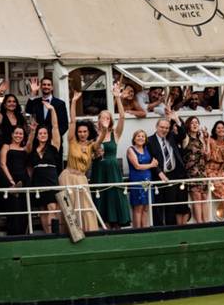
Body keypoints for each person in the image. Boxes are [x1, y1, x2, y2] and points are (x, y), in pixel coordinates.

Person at [59, 92, 100, 232]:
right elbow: (72, 121)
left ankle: (89, 231)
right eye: (80, 131)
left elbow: (99, 142)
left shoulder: (91, 146)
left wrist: (105, 129)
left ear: (89, 133)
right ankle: (71, 232)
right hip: (68, 175)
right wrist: (74, 101)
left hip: (81, 177)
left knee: (85, 205)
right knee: (70, 206)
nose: (82, 133)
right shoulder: (72, 141)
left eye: (85, 131)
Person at [92, 83, 131, 229]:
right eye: (102, 118)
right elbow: (94, 149)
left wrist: (117, 98)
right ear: (98, 120)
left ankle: (118, 224)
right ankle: (103, 225)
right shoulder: (94, 135)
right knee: (101, 195)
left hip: (113, 169)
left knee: (114, 195)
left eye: (107, 118)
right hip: (99, 169)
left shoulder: (115, 134)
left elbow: (122, 116)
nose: (105, 120)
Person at [146, 115, 190, 226]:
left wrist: (177, 120)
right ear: (157, 127)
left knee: (171, 205)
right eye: (162, 127)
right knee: (158, 206)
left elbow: (183, 134)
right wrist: (159, 172)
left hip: (173, 175)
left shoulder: (172, 137)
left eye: (166, 128)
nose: (164, 130)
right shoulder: (150, 141)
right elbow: (151, 158)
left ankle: (171, 228)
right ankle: (159, 229)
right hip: (159, 176)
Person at [28, 105, 62, 235]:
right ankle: (47, 234)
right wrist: (32, 131)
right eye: (40, 133)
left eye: (45, 133)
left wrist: (52, 110)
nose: (42, 135)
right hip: (38, 179)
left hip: (51, 178)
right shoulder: (33, 149)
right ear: (37, 135)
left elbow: (55, 127)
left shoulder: (53, 147)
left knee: (52, 207)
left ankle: (54, 234)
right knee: (42, 208)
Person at [0, 125, 30, 235]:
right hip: (12, 181)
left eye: (21, 133)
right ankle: (13, 233)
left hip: (24, 180)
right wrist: (11, 180)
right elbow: (3, 164)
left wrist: (33, 131)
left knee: (24, 207)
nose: (18, 135)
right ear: (12, 134)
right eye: (16, 133)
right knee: (14, 207)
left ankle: (24, 233)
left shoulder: (24, 148)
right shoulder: (6, 146)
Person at [180, 116, 209, 223]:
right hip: (192, 172)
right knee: (196, 199)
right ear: (188, 125)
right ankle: (199, 223)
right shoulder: (186, 138)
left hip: (202, 172)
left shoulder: (201, 139)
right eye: (192, 123)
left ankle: (206, 222)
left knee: (204, 198)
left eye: (197, 122)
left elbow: (207, 156)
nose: (195, 124)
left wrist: (207, 140)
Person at [126, 129, 157, 229]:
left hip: (147, 180)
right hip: (137, 181)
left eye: (143, 136)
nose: (141, 138)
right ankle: (137, 230)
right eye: (138, 136)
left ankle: (145, 229)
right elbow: (137, 166)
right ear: (134, 139)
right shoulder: (131, 150)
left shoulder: (147, 149)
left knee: (146, 207)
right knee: (138, 207)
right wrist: (151, 165)